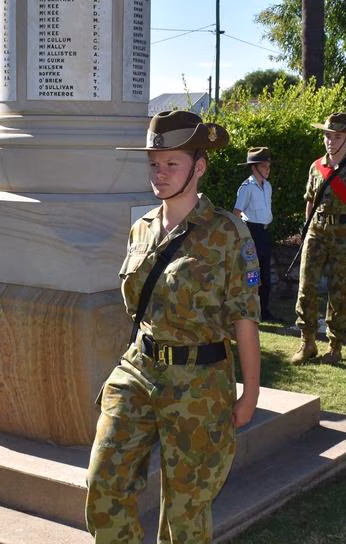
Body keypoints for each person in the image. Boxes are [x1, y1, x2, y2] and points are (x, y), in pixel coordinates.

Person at [86, 110, 261, 544]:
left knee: (185, 511)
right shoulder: (141, 229)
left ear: (199, 167)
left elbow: (245, 318)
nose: (159, 173)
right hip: (139, 370)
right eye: (154, 163)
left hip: (199, 383)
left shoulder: (227, 233)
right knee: (103, 484)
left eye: (171, 164)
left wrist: (250, 393)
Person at [290, 112, 346, 366]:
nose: (330, 141)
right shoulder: (316, 167)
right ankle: (307, 342)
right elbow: (310, 201)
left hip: (345, 234)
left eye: (337, 137)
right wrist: (307, 229)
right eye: (327, 136)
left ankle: (335, 346)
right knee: (306, 286)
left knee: (340, 291)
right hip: (316, 232)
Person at [234, 146, 281, 323]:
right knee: (252, 274)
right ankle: (250, 309)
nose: (268, 170)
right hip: (251, 233)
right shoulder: (247, 187)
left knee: (265, 274)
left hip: (265, 232)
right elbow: (236, 213)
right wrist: (240, 238)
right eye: (263, 166)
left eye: (269, 166)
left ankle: (264, 310)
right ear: (254, 168)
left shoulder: (267, 186)